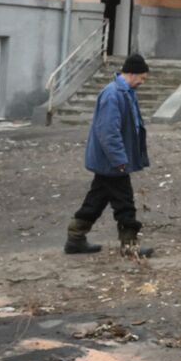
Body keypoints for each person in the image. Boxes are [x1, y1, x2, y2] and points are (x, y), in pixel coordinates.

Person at [65, 53, 154, 259]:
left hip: (110, 161)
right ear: (131, 73)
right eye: (141, 77)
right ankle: (129, 247)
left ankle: (75, 239)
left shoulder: (125, 92)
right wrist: (120, 160)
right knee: (124, 203)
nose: (142, 81)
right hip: (112, 162)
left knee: (96, 199)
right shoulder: (113, 94)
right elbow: (108, 132)